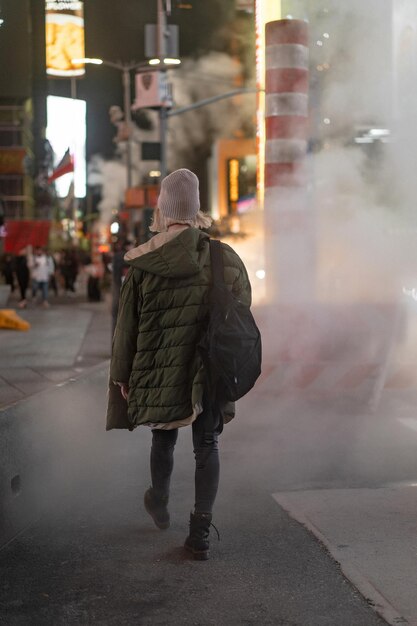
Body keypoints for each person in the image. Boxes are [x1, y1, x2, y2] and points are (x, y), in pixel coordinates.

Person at [107, 168, 251, 561]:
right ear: (196, 208)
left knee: (163, 436)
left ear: (162, 209)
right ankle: (200, 531)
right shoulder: (224, 257)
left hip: (158, 368)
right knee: (207, 444)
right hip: (209, 370)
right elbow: (242, 312)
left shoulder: (142, 263)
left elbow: (126, 327)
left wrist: (122, 375)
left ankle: (159, 500)